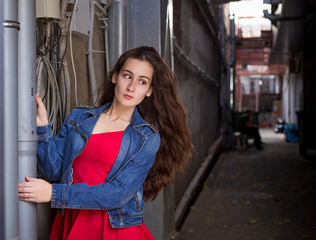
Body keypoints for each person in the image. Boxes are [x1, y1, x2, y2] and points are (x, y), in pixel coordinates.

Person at [18, 46, 193, 239]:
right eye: (127, 76)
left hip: (113, 228)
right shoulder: (79, 117)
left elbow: (118, 193)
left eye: (142, 82)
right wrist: (43, 127)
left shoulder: (146, 138)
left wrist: (55, 194)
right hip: (72, 217)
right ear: (115, 77)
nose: (132, 87)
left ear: (149, 91)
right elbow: (54, 171)